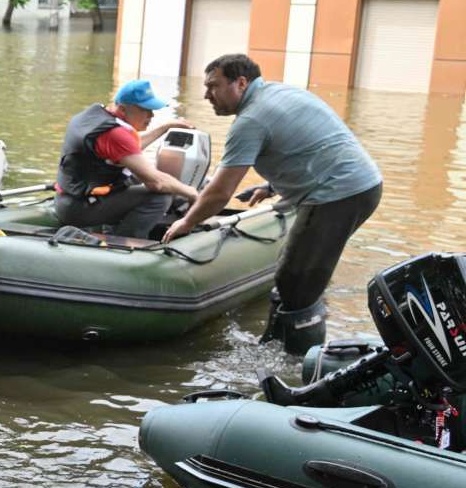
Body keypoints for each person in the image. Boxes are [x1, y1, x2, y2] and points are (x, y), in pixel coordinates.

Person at [163, 53, 382, 352]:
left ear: (241, 83)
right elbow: (309, 143)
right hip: (361, 185)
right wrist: (271, 186)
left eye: (214, 86)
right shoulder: (279, 92)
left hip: (337, 193)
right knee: (296, 274)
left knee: (295, 283)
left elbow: (219, 192)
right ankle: (275, 345)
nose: (206, 95)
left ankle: (300, 363)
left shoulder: (251, 120)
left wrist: (187, 222)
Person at [54, 80, 199, 239]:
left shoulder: (97, 118)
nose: (151, 116)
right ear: (122, 109)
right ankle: (125, 246)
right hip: (78, 209)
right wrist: (191, 193)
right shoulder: (115, 135)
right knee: (159, 197)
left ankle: (111, 234)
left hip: (70, 200)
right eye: (145, 110)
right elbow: (157, 183)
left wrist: (165, 127)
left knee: (133, 179)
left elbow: (127, 148)